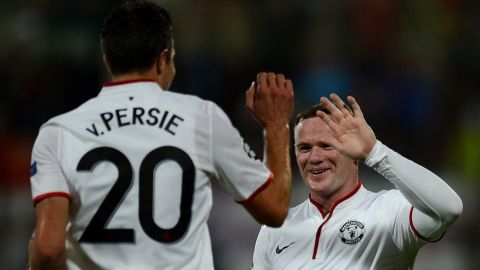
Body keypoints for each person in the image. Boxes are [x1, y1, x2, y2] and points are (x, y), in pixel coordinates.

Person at [28, 1, 294, 269]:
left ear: (107, 60)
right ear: (163, 59)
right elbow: (274, 208)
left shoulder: (59, 132)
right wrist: (276, 126)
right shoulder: (202, 118)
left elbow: (48, 249)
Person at [252, 94, 463, 269]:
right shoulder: (275, 229)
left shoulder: (390, 212)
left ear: (354, 152)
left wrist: (375, 152)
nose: (314, 157)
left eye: (326, 146)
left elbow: (450, 208)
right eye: (304, 148)